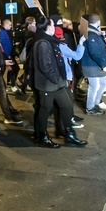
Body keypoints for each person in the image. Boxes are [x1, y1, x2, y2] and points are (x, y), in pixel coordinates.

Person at [29, 17, 85, 148]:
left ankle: (69, 134)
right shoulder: (43, 43)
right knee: (44, 109)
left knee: (66, 105)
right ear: (48, 27)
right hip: (48, 84)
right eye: (53, 25)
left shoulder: (51, 40)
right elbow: (45, 65)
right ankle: (42, 136)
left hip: (58, 81)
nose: (55, 27)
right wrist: (56, 78)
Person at [81, 13, 106, 115]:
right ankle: (90, 108)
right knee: (94, 86)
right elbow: (94, 52)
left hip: (94, 65)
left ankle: (95, 102)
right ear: (98, 22)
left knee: (104, 83)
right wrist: (103, 64)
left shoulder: (93, 32)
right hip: (92, 65)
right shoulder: (91, 34)